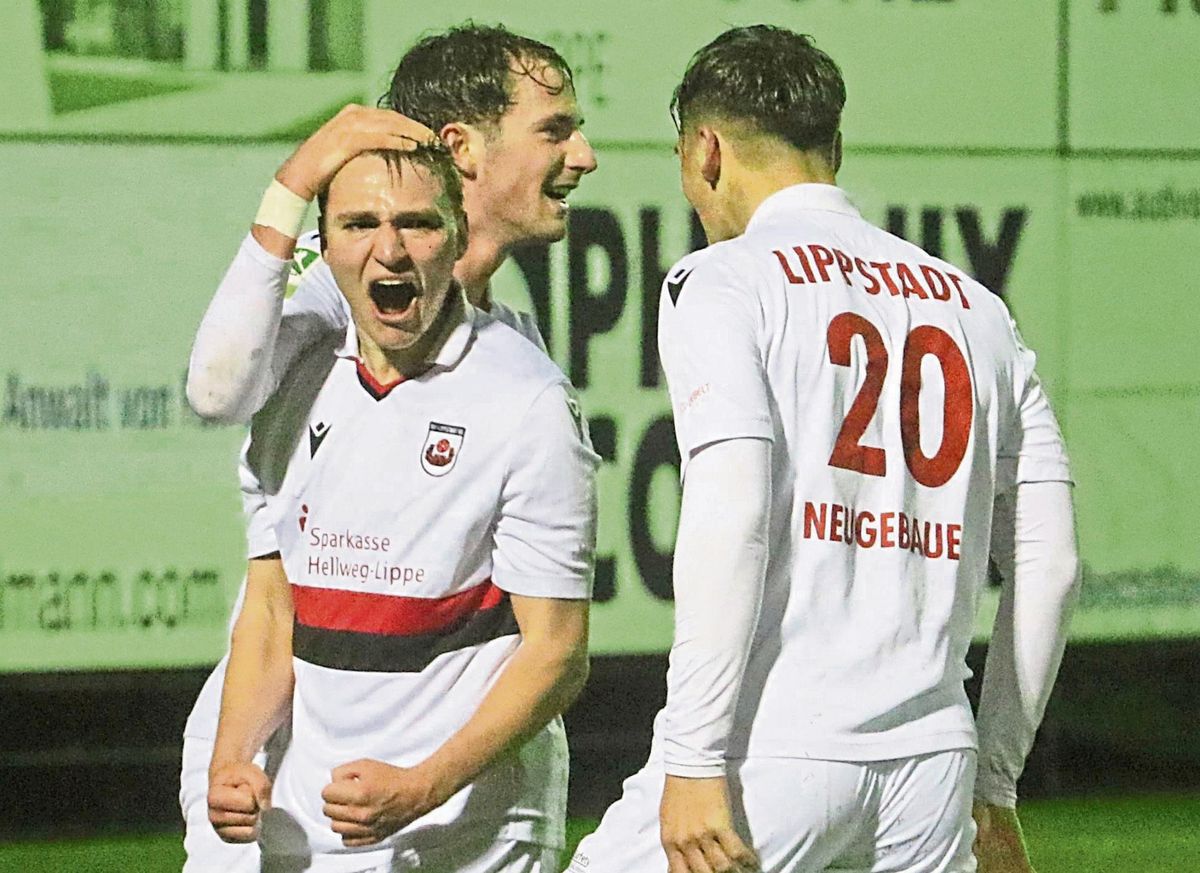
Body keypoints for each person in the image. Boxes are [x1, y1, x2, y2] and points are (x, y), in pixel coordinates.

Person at [569, 25, 1080, 873]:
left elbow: (732, 509)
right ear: (833, 147)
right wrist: (993, 781)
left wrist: (694, 757)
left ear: (705, 151)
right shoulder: (975, 308)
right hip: (931, 766)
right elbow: (1051, 559)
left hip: (772, 745)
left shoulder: (724, 279)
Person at [180, 24, 596, 872]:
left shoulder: (513, 358)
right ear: (460, 147)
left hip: (427, 792)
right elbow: (215, 392)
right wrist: (297, 175)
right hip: (285, 763)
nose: (583, 155)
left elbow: (553, 640)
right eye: (553, 129)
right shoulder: (333, 294)